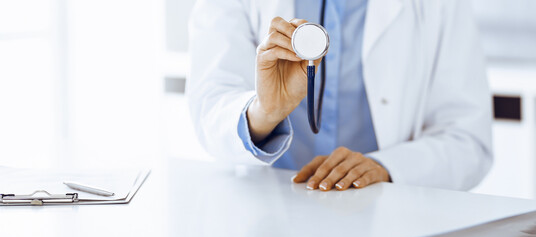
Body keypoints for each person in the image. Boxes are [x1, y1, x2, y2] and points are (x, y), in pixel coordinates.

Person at [187, 0, 493, 191]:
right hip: (266, 207)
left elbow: (468, 141)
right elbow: (210, 107)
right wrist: (264, 113)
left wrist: (388, 168)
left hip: (384, 213)